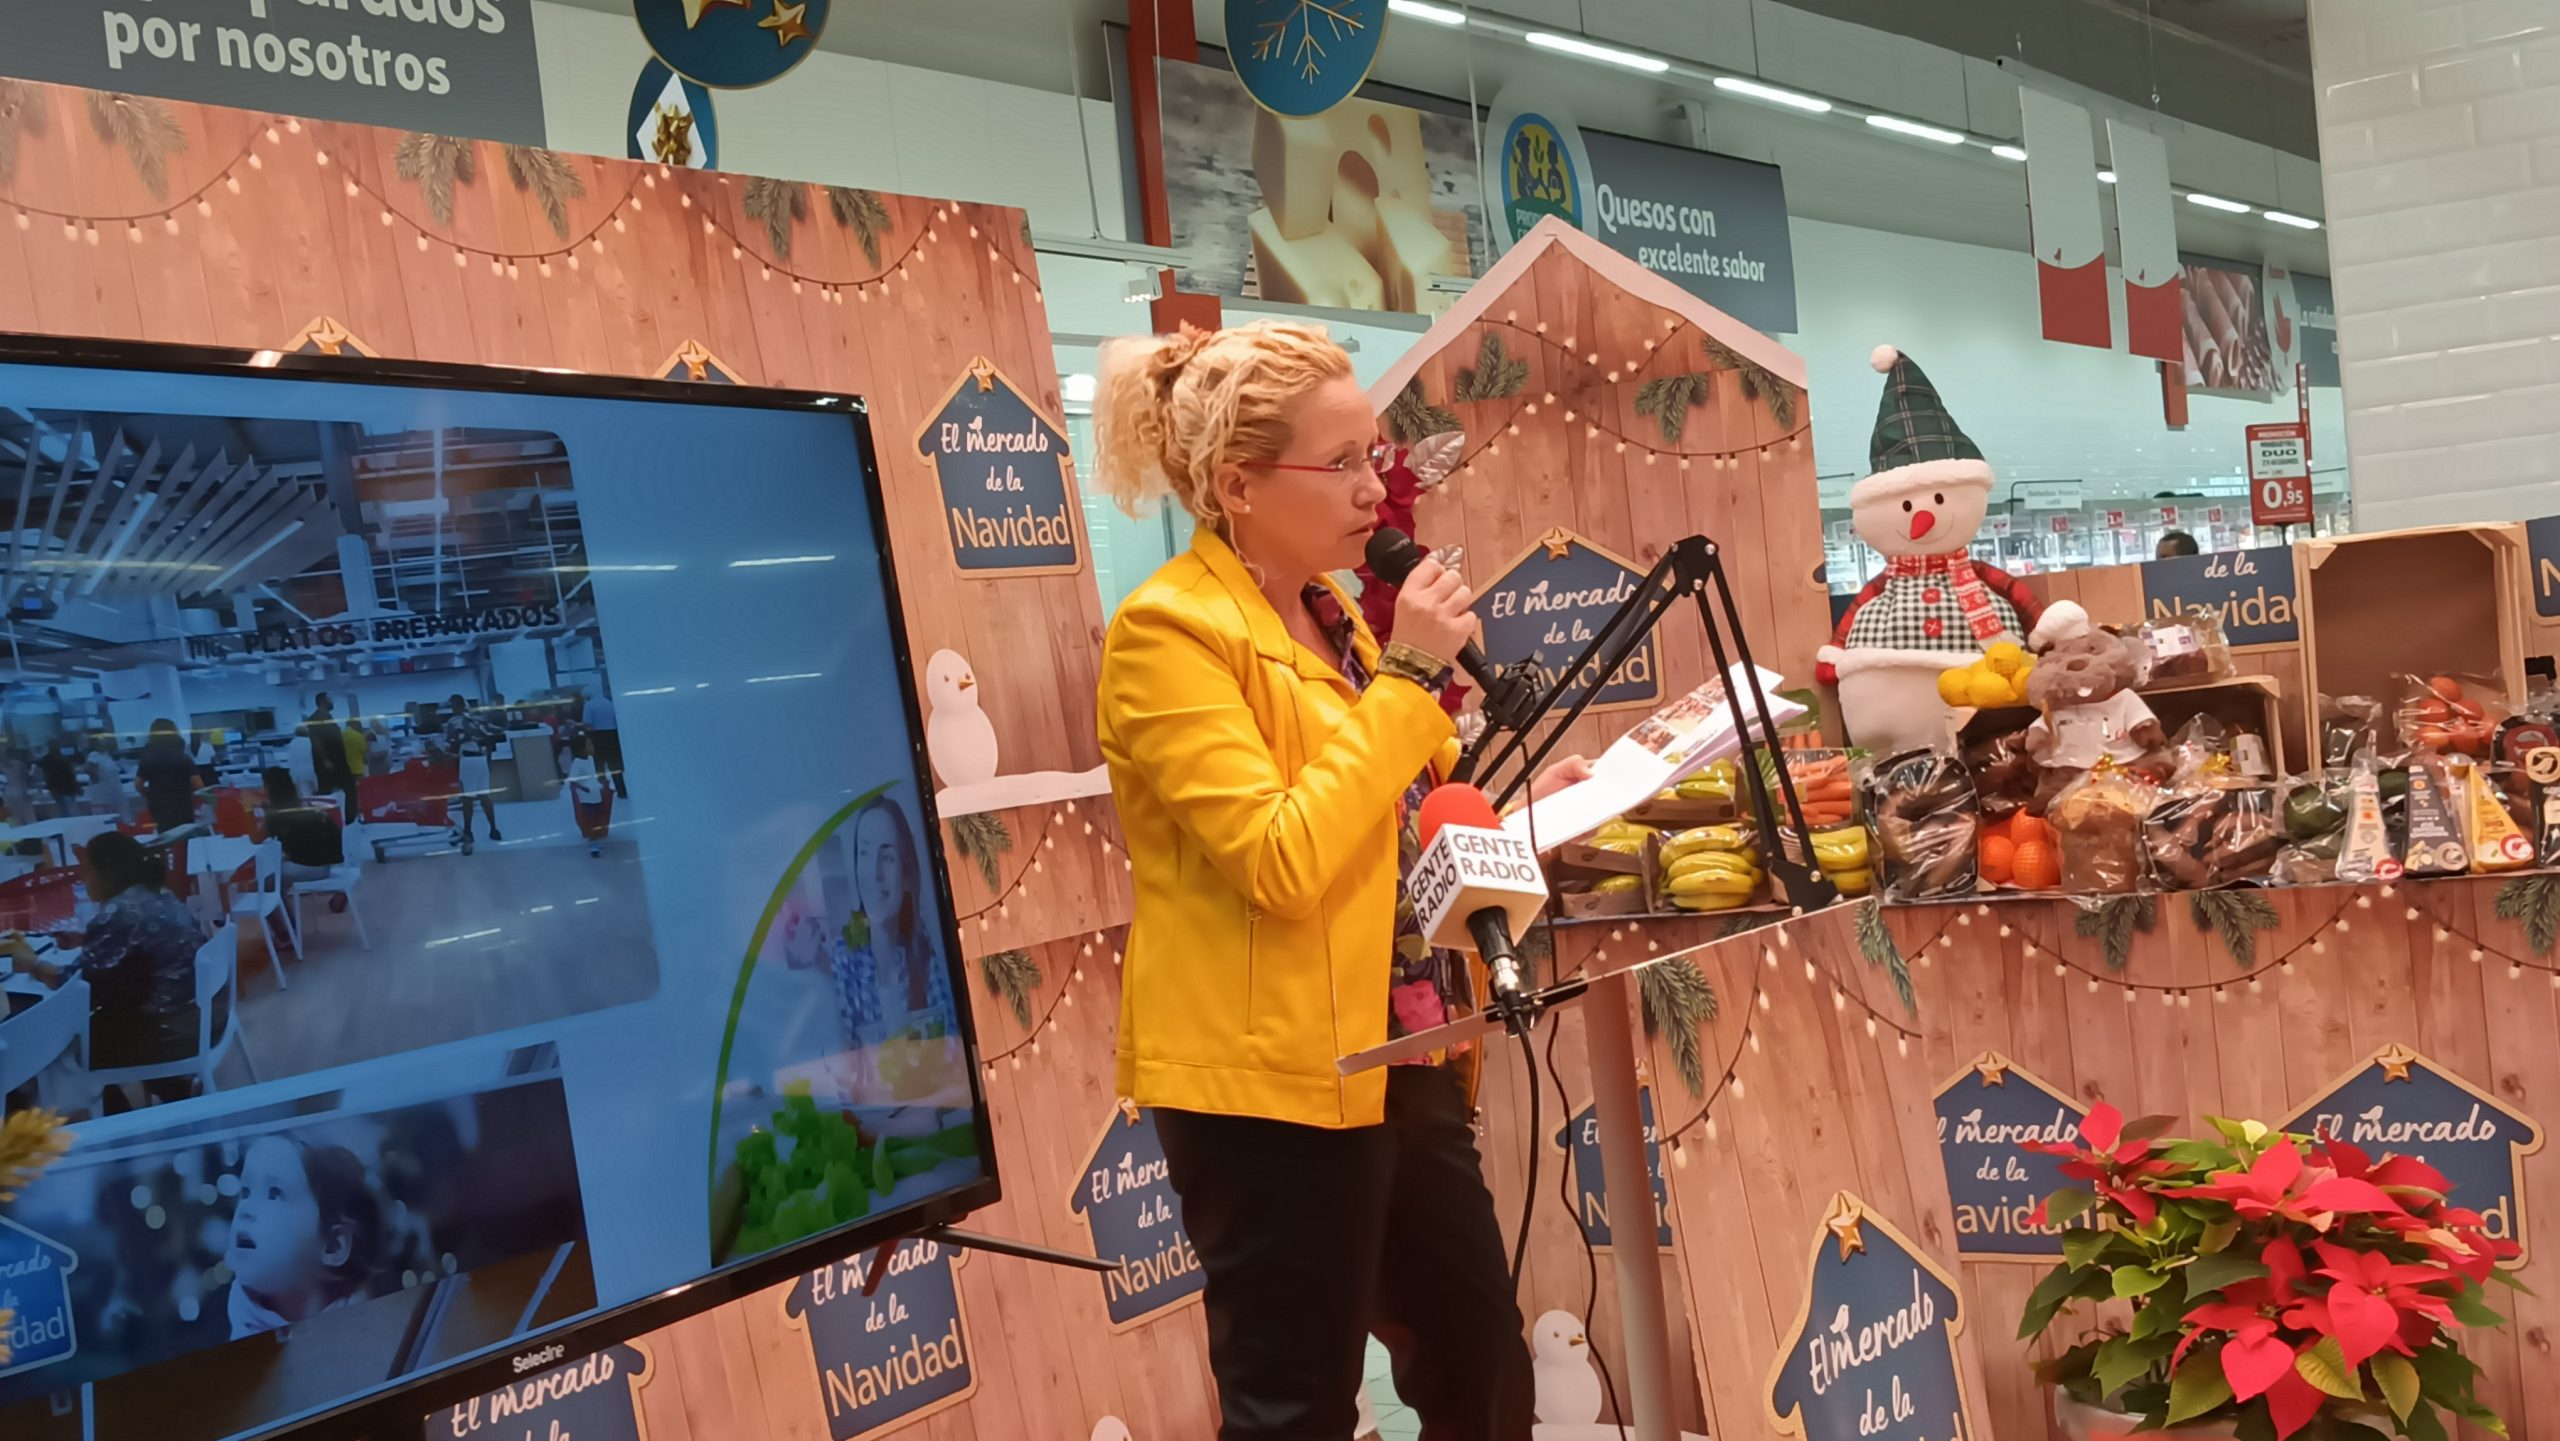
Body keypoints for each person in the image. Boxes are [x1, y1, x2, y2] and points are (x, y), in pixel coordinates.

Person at [1090, 321, 1593, 1439]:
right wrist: (1409, 673)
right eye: (1344, 461)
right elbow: (1282, 859)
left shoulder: (1334, 616)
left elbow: (1392, 826)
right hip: (1269, 1088)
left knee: (1480, 1367)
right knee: (1296, 1407)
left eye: (1375, 455)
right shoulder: (1169, 632)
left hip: (1399, 1051)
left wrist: (1529, 817)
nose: (1377, 487)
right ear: (1239, 484)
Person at [2, 832, 208, 1111]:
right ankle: (175, 1088)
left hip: (165, 1032)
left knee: (70, 1036)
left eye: (87, 870)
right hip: (194, 1014)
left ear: (108, 874)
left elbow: (75, 988)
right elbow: (139, 944)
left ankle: (114, 1115)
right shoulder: (157, 893)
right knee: (100, 1023)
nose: (82, 878)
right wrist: (88, 939)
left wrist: (32, 964)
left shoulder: (118, 914)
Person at [223, 1133, 385, 1338]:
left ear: (333, 1246)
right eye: (245, 1192)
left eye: (274, 1194)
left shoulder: (368, 1337)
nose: (245, 1209)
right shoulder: (224, 1334)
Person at [828, 794, 952, 1044]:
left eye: (887, 857)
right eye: (864, 853)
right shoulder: (841, 962)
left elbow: (950, 1047)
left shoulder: (923, 957)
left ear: (906, 876)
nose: (874, 874)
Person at [438, 693, 503, 851]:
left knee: (467, 798)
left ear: (455, 706)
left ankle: (468, 832)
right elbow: (492, 735)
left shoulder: (454, 721)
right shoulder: (478, 718)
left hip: (467, 761)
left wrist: (444, 752)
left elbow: (451, 743)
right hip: (482, 760)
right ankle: (494, 830)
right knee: (484, 796)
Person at [260, 768, 344, 884]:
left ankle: (276, 896)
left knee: (264, 874)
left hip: (306, 867)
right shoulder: (305, 807)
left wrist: (261, 813)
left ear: (269, 788)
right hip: (324, 866)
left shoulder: (277, 815)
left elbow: (258, 839)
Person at [304, 694, 359, 829]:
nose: (332, 701)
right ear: (323, 701)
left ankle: (341, 820)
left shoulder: (326, 717)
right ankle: (339, 820)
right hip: (331, 762)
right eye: (330, 699)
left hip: (336, 760)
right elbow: (316, 742)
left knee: (337, 791)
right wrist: (325, 760)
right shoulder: (316, 719)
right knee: (340, 790)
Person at [137, 718, 201, 833]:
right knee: (185, 834)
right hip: (182, 802)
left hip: (158, 804)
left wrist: (147, 795)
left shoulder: (147, 759)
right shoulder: (183, 758)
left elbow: (138, 784)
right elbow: (198, 784)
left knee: (165, 835)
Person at [564, 734, 612, 858]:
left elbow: (592, 776)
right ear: (581, 749)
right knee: (591, 821)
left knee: (598, 818)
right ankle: (593, 843)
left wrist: (600, 785)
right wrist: (584, 789)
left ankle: (595, 839)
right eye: (589, 745)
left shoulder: (590, 759)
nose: (592, 747)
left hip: (596, 795)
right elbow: (572, 781)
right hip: (586, 799)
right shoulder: (578, 763)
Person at [584, 686, 627, 798]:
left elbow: (587, 722)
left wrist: (588, 737)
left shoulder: (589, 704)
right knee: (615, 765)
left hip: (598, 736)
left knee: (600, 765)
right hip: (613, 735)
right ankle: (622, 791)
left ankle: (604, 791)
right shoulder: (609, 703)